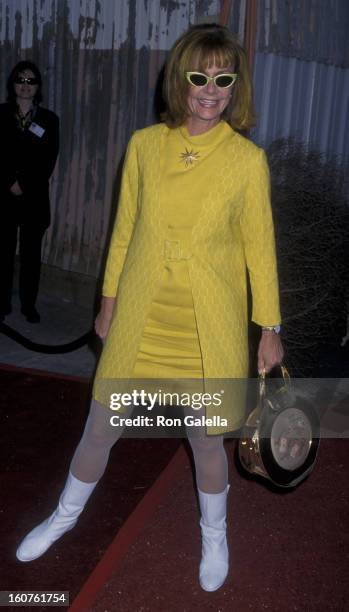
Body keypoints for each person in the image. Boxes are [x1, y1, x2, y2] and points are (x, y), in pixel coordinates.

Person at [16, 25, 284, 592]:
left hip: (204, 328)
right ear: (180, 79)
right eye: (199, 76)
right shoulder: (143, 145)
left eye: (223, 79)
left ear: (235, 87)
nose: (211, 89)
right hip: (142, 317)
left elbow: (261, 250)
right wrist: (108, 301)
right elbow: (122, 234)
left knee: (205, 440)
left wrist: (270, 328)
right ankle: (63, 519)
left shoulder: (245, 162)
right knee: (100, 427)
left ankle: (214, 536)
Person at [0, 61, 59, 323]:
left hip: (34, 198)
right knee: (2, 253)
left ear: (38, 87)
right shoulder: (0, 114)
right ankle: (1, 305)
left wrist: (23, 183)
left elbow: (48, 159)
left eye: (31, 81)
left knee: (31, 256)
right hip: (3, 196)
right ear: (13, 84)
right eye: (20, 80)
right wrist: (9, 181)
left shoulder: (49, 120)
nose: (25, 86)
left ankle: (28, 304)